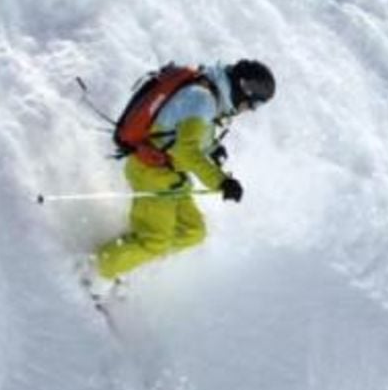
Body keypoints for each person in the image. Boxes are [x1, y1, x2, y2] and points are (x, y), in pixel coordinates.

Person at [94, 59, 276, 281]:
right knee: (155, 241)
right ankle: (94, 272)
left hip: (170, 176)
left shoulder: (209, 96)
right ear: (244, 89)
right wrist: (221, 182)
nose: (250, 110)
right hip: (152, 171)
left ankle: (121, 260)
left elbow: (179, 130)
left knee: (192, 232)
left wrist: (213, 148)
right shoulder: (202, 99)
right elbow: (185, 151)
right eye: (254, 104)